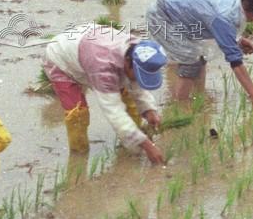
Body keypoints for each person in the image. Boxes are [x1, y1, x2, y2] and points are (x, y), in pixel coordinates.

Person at [43, 24, 168, 163]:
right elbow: (114, 112)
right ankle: (79, 156)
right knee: (77, 112)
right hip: (60, 59)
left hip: (89, 44)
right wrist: (147, 145)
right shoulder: (103, 68)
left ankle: (132, 140)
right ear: (127, 63)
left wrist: (149, 110)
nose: (138, 80)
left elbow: (137, 85)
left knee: (128, 98)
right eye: (138, 75)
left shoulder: (140, 49)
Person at [147, 0, 253, 103]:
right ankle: (181, 105)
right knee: (190, 62)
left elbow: (216, 23)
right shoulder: (224, 16)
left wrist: (237, 40)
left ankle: (199, 97)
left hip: (177, 2)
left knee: (200, 58)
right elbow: (236, 62)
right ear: (247, 5)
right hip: (164, 14)